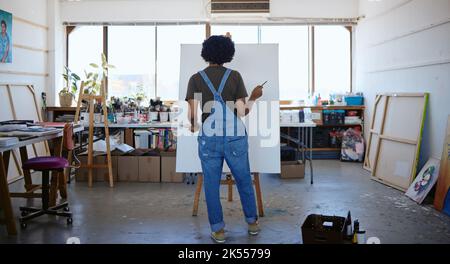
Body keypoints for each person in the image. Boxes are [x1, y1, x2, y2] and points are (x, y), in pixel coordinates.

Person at [185, 35, 264, 243]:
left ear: (206, 53)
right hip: (235, 138)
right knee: (244, 179)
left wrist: (194, 126)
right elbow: (242, 111)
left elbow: (192, 114)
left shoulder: (195, 78)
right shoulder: (235, 76)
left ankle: (218, 231)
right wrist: (254, 97)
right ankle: (252, 223)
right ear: (228, 53)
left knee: (210, 184)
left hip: (209, 138)